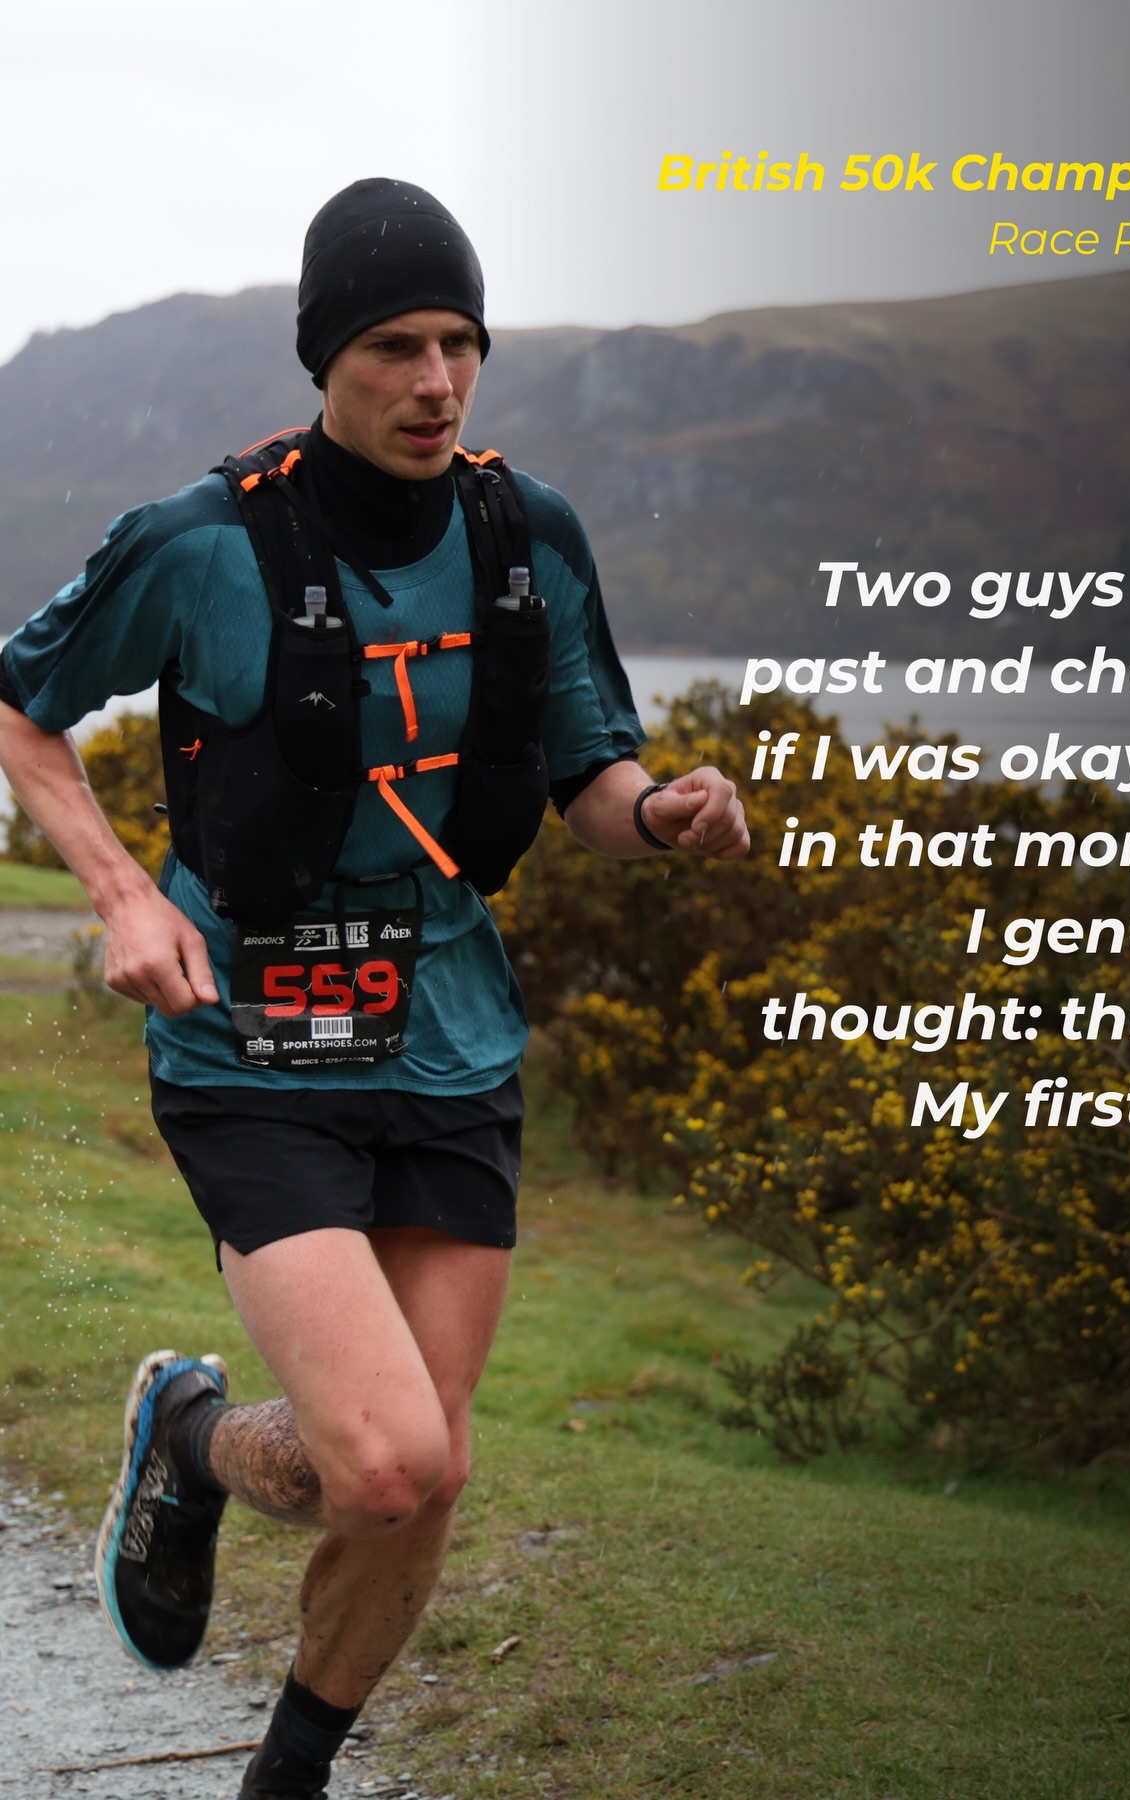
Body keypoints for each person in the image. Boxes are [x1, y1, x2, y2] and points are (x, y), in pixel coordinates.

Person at [0, 177, 748, 1800]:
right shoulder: (201, 542)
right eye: (398, 345)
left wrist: (666, 812)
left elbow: (590, 777)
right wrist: (122, 890)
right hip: (254, 1041)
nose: (438, 381)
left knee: (429, 1473)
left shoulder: (526, 530)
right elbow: (15, 708)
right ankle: (192, 1436)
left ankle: (288, 1779)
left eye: (462, 344)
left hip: (454, 1037)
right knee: (386, 1455)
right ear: (324, 359)